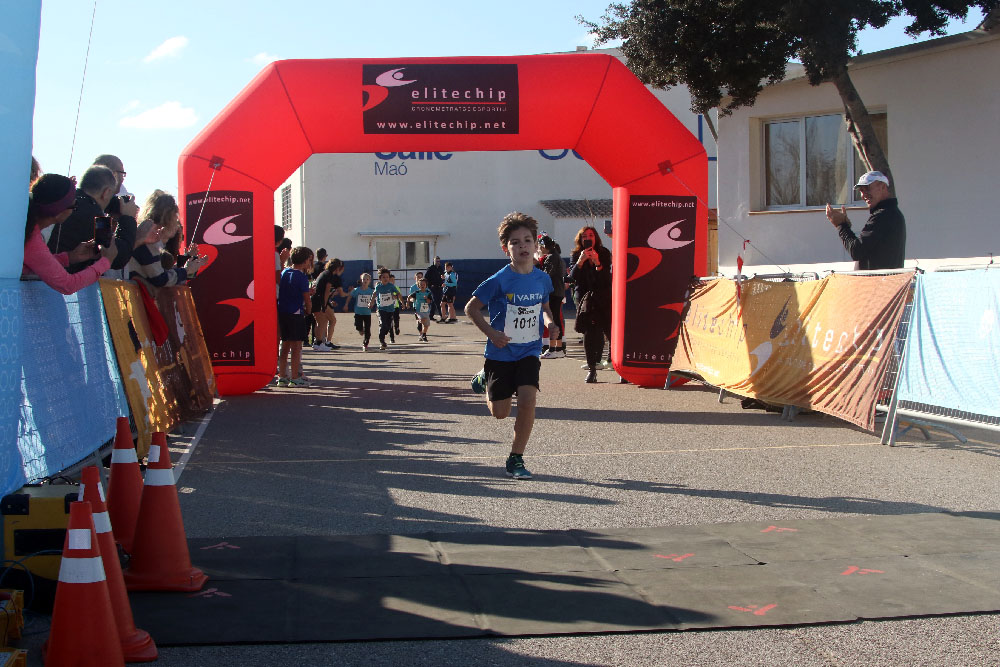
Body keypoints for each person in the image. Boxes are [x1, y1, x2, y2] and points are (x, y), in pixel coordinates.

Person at [465, 212, 559, 480]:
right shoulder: (499, 279)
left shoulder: (542, 279)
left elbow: (545, 307)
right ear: (506, 248)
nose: (522, 246)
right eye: (515, 242)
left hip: (528, 350)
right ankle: (485, 379)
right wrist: (492, 333)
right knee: (500, 413)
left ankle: (516, 458)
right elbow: (471, 308)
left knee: (528, 399)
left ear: (535, 245)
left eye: (527, 240)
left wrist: (550, 323)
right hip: (500, 352)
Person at [22, 174, 117, 294]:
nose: (75, 210)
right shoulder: (31, 240)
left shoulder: (26, 230)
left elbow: (37, 263)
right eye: (75, 205)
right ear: (58, 213)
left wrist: (69, 257)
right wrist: (106, 261)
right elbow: (68, 285)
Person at [47, 164, 141, 275]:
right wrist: (128, 218)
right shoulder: (97, 217)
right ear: (106, 192)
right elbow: (118, 257)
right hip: (59, 284)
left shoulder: (69, 202)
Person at [825, 171, 906, 270]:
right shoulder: (890, 213)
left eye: (867, 189)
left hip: (879, 283)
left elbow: (856, 251)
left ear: (883, 187)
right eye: (861, 191)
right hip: (885, 282)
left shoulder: (883, 215)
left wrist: (841, 225)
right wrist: (845, 227)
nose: (863, 195)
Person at [127, 190, 206, 289]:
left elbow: (159, 273)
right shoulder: (148, 243)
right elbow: (160, 279)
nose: (177, 225)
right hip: (139, 300)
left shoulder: (145, 238)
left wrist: (186, 264)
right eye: (175, 218)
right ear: (168, 218)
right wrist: (186, 271)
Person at [570, 226, 612, 383]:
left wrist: (597, 262)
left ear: (596, 238)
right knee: (589, 331)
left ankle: (604, 360)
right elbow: (573, 278)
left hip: (602, 296)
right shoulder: (576, 255)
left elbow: (606, 279)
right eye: (584, 236)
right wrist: (580, 261)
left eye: (591, 235)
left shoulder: (604, 253)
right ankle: (591, 368)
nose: (588, 238)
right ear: (580, 240)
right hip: (585, 298)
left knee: (604, 329)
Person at [276, 247, 314, 387]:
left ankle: (282, 376)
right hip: (295, 313)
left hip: (283, 312)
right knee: (297, 346)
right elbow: (306, 298)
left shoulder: (285, 272)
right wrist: (309, 310)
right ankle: (295, 377)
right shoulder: (302, 277)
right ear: (305, 261)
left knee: (285, 344)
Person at [538, 235, 567, 359]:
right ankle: (557, 348)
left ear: (544, 246)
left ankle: (554, 348)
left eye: (540, 246)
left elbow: (546, 275)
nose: (539, 249)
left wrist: (537, 268)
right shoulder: (557, 257)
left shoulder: (550, 258)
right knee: (556, 319)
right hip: (558, 292)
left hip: (553, 293)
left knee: (552, 320)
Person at [310, 261, 336, 351]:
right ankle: (320, 343)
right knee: (322, 321)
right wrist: (324, 304)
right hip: (318, 300)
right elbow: (327, 290)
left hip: (314, 299)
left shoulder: (324, 273)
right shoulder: (329, 275)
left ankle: (317, 343)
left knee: (319, 321)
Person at [372, 268, 398, 351]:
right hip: (381, 309)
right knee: (384, 324)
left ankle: (383, 331)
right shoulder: (379, 286)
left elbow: (397, 294)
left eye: (387, 277)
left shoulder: (391, 286)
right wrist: (371, 302)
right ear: (380, 278)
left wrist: (398, 299)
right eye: (384, 277)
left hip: (390, 309)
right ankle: (382, 341)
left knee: (388, 326)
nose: (386, 279)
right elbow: (374, 294)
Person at [353, 273, 375, 351]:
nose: (365, 281)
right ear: (361, 280)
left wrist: (372, 304)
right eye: (364, 279)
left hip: (367, 313)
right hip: (358, 312)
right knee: (358, 325)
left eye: (367, 279)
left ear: (369, 281)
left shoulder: (371, 291)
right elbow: (350, 295)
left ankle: (365, 343)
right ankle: (360, 329)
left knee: (368, 329)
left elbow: (374, 299)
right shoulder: (357, 290)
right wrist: (346, 304)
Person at [408, 277, 433, 342]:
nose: (422, 286)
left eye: (424, 284)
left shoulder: (428, 292)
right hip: (418, 310)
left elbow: (429, 301)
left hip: (426, 310)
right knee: (421, 320)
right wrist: (407, 303)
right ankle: (421, 331)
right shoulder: (416, 292)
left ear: (426, 285)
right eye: (421, 284)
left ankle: (423, 334)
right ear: (418, 285)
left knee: (426, 325)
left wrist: (426, 298)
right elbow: (409, 297)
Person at [424, 256, 444, 321]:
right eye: (436, 261)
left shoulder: (441, 268)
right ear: (434, 261)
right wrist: (429, 285)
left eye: (439, 261)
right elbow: (426, 278)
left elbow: (443, 276)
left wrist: (442, 282)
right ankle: (442, 315)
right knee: (437, 301)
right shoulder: (430, 269)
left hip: (439, 287)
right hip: (433, 287)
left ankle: (430, 316)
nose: (438, 262)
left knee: (434, 302)